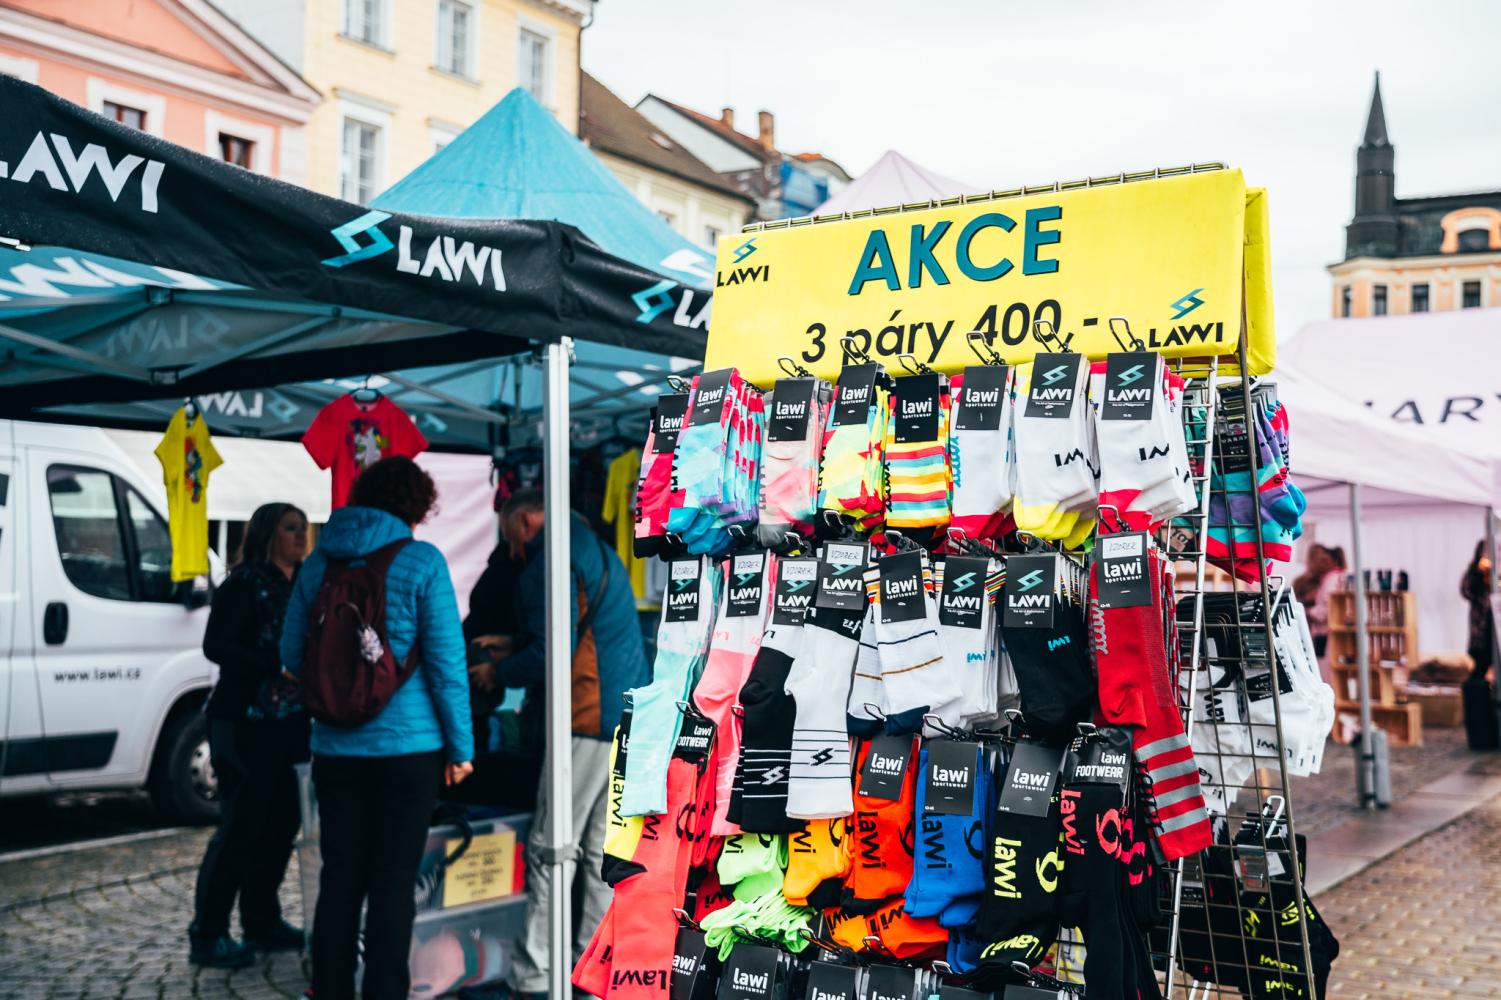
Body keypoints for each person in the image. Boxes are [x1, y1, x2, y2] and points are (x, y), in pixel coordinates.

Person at [280, 457, 474, 1000]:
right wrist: (461, 748)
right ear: (418, 505)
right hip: (409, 750)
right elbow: (447, 665)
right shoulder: (422, 561)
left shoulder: (319, 562)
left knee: (340, 876)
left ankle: (330, 990)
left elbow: (290, 654)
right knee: (393, 881)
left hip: (334, 749)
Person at [469, 489, 650, 1000]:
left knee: (551, 848)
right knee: (598, 851)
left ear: (526, 520)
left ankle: (533, 976)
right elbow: (582, 631)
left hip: (584, 717)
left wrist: (499, 671)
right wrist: (514, 644)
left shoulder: (552, 557)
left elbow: (554, 650)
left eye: (509, 534)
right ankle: (592, 972)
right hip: (624, 716)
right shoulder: (594, 547)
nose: (510, 548)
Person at [189, 503, 310, 969]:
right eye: (291, 528)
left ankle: (261, 920)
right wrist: (272, 664)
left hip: (291, 723)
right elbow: (215, 646)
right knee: (241, 828)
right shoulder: (243, 583)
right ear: (267, 534)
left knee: (281, 825)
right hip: (243, 722)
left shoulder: (303, 584)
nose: (301, 536)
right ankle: (209, 933)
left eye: (304, 528)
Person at [1294, 544, 1345, 663]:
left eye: (1324, 560)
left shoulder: (1331, 579)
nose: (1321, 564)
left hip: (1323, 633)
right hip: (1312, 632)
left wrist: (1309, 612)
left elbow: (1326, 610)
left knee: (1322, 665)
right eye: (1318, 560)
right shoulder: (1303, 581)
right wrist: (1306, 601)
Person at [1462, 540, 1495, 682]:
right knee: (1477, 674)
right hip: (1480, 635)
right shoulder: (1475, 572)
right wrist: (1478, 571)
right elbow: (1466, 590)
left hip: (1496, 630)